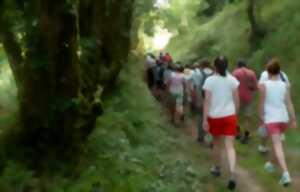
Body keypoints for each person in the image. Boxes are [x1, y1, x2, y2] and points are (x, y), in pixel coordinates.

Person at [202, 56, 240, 190]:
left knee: (217, 144)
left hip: (215, 117)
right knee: (230, 146)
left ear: (215, 66)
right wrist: (236, 115)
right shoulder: (233, 80)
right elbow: (236, 100)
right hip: (230, 116)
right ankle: (232, 174)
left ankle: (217, 168)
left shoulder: (210, 81)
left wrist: (204, 119)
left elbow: (207, 101)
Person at [258, 58, 296, 186]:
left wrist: (261, 117)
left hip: (272, 119)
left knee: (277, 146)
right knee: (278, 143)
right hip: (283, 119)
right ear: (280, 72)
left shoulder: (264, 86)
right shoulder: (285, 85)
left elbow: (262, 103)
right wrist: (293, 119)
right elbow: (289, 103)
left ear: (268, 72)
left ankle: (286, 174)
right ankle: (271, 164)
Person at [257, 62, 290, 153]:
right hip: (281, 107)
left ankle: (264, 147)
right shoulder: (284, 75)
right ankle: (274, 150)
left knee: (265, 129)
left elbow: (260, 88)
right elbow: (288, 90)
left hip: (269, 106)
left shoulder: (264, 74)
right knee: (277, 131)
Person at [233, 59, 258, 144]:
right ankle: (246, 136)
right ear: (246, 64)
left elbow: (232, 86)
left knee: (236, 115)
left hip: (237, 97)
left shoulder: (235, 73)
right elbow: (255, 86)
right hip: (248, 97)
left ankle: (237, 132)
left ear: (238, 65)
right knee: (247, 117)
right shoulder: (251, 73)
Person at [191, 58, 213, 143]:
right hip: (211, 97)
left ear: (201, 65)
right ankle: (211, 138)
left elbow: (194, 86)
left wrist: (194, 97)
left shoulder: (197, 73)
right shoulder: (214, 73)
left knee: (200, 116)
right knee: (211, 117)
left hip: (200, 97)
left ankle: (200, 137)